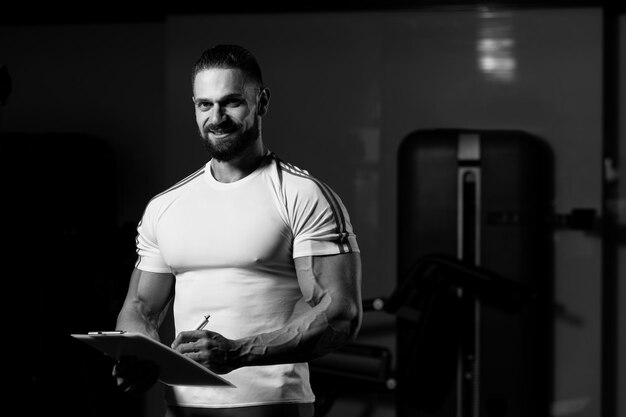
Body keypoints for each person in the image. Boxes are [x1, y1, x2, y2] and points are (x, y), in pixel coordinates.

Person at [112, 44, 363, 417]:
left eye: (232, 102)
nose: (217, 117)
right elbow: (140, 307)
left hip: (272, 407)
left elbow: (341, 313)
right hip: (182, 409)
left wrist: (239, 351)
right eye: (204, 105)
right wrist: (142, 352)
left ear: (261, 102)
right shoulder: (165, 206)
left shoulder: (302, 195)